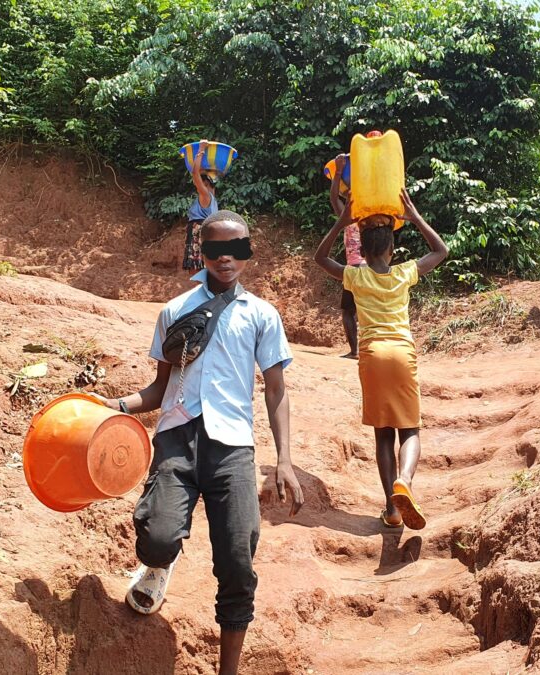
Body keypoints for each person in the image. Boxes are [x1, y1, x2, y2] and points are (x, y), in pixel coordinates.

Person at [97, 209, 305, 675]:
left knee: (237, 562)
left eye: (237, 249)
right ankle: (157, 565)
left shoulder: (262, 316)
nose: (226, 258)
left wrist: (284, 460)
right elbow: (158, 389)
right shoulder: (175, 311)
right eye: (216, 250)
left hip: (232, 447)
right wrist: (115, 405)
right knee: (158, 535)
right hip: (176, 437)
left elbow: (276, 391)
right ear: (201, 253)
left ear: (248, 253)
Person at [312, 189, 448, 530]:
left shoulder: (355, 275)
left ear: (364, 248)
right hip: (402, 354)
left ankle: (391, 508)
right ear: (390, 248)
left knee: (383, 435)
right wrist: (414, 217)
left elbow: (320, 258)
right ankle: (405, 479)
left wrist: (341, 222)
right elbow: (441, 250)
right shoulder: (404, 273)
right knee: (411, 429)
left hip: (371, 356)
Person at [328, 153, 365, 359]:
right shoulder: (373, 217)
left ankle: (355, 351)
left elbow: (334, 197)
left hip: (355, 270)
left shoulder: (348, 218)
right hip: (373, 269)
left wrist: (339, 171)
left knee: (348, 311)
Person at [182, 140, 219, 273]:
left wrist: (201, 150)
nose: (195, 184)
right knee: (205, 269)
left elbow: (195, 173)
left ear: (205, 183)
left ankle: (202, 292)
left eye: (199, 182)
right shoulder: (212, 197)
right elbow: (200, 174)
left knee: (196, 270)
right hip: (209, 233)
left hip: (199, 232)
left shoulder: (205, 195)